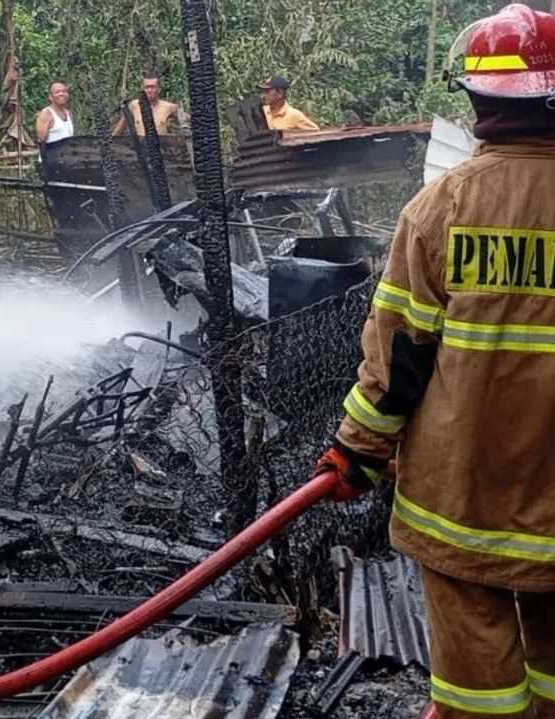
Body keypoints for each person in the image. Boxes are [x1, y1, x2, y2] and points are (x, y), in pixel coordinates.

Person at [312, 5, 555, 719]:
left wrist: (357, 451)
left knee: (479, 689)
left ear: (476, 99)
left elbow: (397, 357)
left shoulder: (440, 207)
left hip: (462, 500)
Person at [111, 77, 187, 136]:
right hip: (139, 148)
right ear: (142, 89)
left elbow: (188, 119)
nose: (149, 90)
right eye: (147, 87)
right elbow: (117, 133)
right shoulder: (133, 105)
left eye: (152, 87)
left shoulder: (169, 107)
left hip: (162, 148)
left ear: (158, 89)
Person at [35, 81, 74, 146]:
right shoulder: (46, 114)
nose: (61, 94)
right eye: (57, 92)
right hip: (52, 152)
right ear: (50, 97)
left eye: (64, 91)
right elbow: (41, 141)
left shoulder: (68, 113)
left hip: (68, 152)